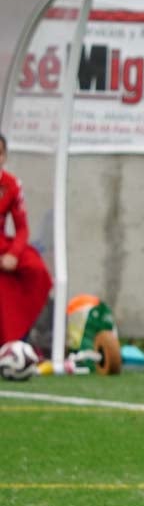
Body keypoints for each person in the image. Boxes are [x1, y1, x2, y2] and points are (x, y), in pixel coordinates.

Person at [0, 133, 54, 346]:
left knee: (36, 270)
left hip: (3, 243)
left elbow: (22, 228)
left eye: (0, 153)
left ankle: (21, 338)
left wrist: (13, 254)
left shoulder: (11, 184)